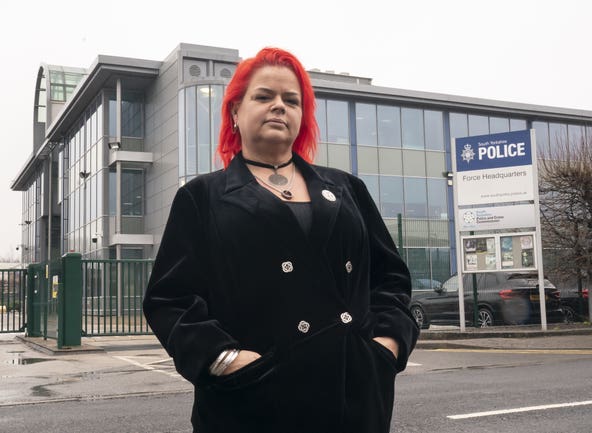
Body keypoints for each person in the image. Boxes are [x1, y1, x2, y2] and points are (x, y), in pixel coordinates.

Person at [143, 47, 419, 433]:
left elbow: (390, 279)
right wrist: (222, 359)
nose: (279, 106)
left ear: (302, 116)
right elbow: (170, 299)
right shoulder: (203, 196)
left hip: (353, 398)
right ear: (236, 111)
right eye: (264, 96)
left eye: (291, 100)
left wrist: (387, 344)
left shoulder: (346, 189)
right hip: (253, 403)